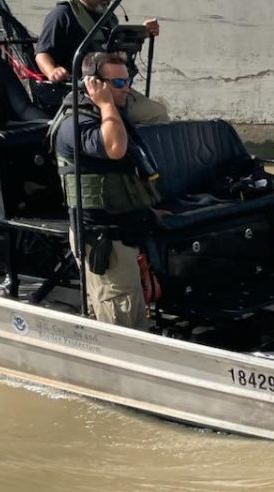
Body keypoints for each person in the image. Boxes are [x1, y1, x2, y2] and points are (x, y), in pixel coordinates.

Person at [49, 52, 160, 328]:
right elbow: (115, 148)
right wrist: (107, 104)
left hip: (124, 231)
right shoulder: (76, 122)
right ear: (93, 84)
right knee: (121, 322)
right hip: (102, 238)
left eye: (128, 81)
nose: (126, 89)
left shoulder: (110, 116)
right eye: (118, 83)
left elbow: (127, 171)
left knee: (132, 315)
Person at [35, 0, 168, 123]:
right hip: (84, 90)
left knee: (158, 112)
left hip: (114, 86)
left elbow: (116, 53)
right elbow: (42, 54)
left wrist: (141, 34)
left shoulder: (109, 18)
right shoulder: (62, 14)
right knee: (156, 114)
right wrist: (52, 70)